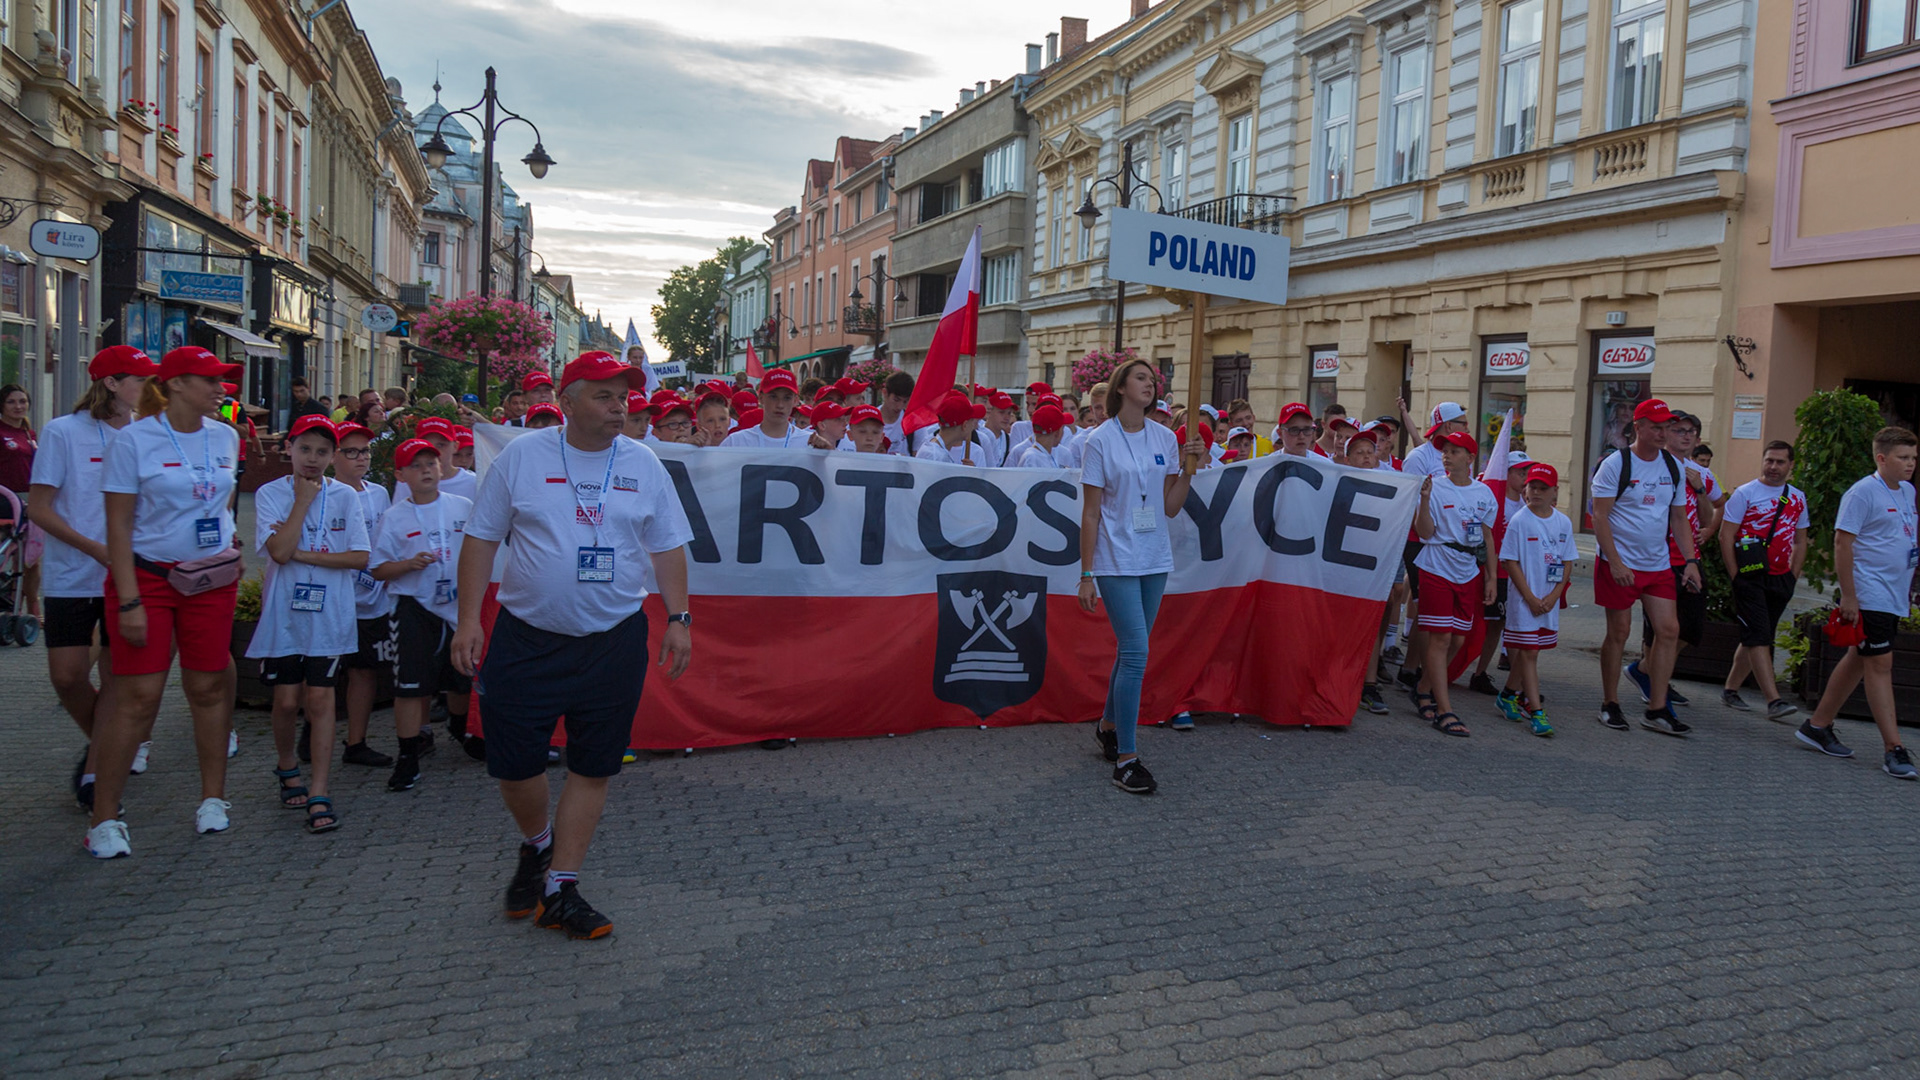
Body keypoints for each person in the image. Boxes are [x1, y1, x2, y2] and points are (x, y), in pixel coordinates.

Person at [451, 351, 694, 940]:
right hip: (527, 640)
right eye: (605, 397)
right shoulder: (521, 458)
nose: (621, 408)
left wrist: (680, 618)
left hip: (612, 641)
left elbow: (666, 548)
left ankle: (562, 885)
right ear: (566, 402)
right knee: (513, 765)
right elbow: (482, 540)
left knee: (594, 764)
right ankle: (537, 845)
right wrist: (467, 621)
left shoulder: (644, 464)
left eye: (625, 397)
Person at [87, 347, 247, 858]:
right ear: (176, 384)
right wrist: (128, 600)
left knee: (207, 687)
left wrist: (228, 542)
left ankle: (214, 799)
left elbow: (219, 499)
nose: (221, 389)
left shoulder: (226, 435)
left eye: (223, 381)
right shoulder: (135, 440)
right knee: (138, 697)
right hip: (149, 580)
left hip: (210, 581)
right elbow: (117, 524)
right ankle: (104, 818)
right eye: (211, 380)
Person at [29, 347, 158, 810]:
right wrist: (97, 550)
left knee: (119, 680)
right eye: (141, 381)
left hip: (130, 578)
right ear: (111, 383)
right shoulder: (63, 432)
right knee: (67, 677)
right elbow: (38, 508)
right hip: (72, 576)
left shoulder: (148, 435)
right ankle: (113, 744)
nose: (149, 390)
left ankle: (96, 777)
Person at [1078, 357, 1205, 793]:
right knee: (1135, 652)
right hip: (1114, 557)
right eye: (1141, 378)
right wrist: (1086, 572)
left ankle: (1109, 726)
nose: (1150, 385)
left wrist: (1189, 471)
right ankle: (1127, 759)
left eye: (1153, 379)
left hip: (1154, 555)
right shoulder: (1098, 441)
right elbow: (1091, 512)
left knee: (1132, 650)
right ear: (1120, 387)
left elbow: (1169, 506)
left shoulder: (1167, 437)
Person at [247, 415, 370, 834]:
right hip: (285, 616)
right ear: (290, 450)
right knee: (285, 702)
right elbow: (278, 552)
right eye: (305, 449)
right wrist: (301, 502)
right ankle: (286, 766)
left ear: (332, 455)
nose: (313, 459)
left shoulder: (345, 497)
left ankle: (319, 790)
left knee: (320, 702)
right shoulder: (269, 494)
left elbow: (358, 556)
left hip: (330, 618)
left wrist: (306, 554)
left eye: (322, 451)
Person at [1796, 427, 1919, 773]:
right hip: (1870, 593)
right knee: (1880, 665)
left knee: (1857, 658)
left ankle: (1817, 726)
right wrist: (1850, 596)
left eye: (1913, 458)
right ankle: (1894, 748)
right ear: (1881, 458)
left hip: (1895, 593)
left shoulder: (1907, 491)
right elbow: (1842, 543)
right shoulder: (1862, 492)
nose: (1910, 464)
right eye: (1903, 457)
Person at [1590, 398, 1699, 735]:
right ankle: (1610, 704)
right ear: (1637, 427)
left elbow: (1679, 517)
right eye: (1656, 426)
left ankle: (1656, 709)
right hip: (1619, 564)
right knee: (1619, 633)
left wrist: (1691, 561)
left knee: (1669, 630)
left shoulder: (1673, 466)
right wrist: (1617, 562)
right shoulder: (1615, 464)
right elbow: (1600, 516)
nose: (1663, 432)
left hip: (1658, 565)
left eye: (1666, 426)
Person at [371, 438, 473, 793]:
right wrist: (407, 565)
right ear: (400, 475)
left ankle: (461, 729)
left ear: (441, 468)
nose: (426, 470)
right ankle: (408, 755)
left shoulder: (463, 506)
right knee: (411, 687)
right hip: (415, 608)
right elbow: (378, 569)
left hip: (458, 607)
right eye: (416, 465)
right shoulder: (393, 517)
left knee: (462, 676)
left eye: (431, 463)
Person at [1631, 410, 1723, 707]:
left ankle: (1645, 671)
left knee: (1692, 626)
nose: (1685, 436)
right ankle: (1659, 688)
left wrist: (1701, 501)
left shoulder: (1701, 474)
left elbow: (1715, 512)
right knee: (1658, 629)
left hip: (1688, 558)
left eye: (1691, 432)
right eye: (1679, 430)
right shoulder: (1655, 466)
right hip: (1657, 558)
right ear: (1667, 433)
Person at [1410, 431, 1499, 738]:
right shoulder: (1434, 488)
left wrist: (1490, 577)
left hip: (1467, 570)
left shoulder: (1484, 493)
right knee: (1441, 639)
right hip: (1436, 564)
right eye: (1444, 451)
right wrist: (1423, 500)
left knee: (1458, 641)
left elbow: (1487, 537)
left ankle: (1423, 688)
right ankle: (1444, 710)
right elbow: (1424, 533)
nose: (1447, 456)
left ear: (1470, 458)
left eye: (1454, 451)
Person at [1715, 441, 1809, 719]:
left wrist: (1793, 575)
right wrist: (1736, 575)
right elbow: (1725, 536)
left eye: (1780, 462)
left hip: (1781, 578)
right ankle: (1774, 701)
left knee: (1757, 635)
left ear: (1791, 465)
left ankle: (1730, 689)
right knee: (1759, 636)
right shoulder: (1745, 493)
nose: (1773, 467)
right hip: (1750, 576)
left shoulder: (1797, 498)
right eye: (1769, 460)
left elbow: (1801, 540)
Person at [328, 421, 396, 770]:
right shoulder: (323, 493)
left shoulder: (379, 493)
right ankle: (314, 730)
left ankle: (356, 741)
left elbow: (385, 539)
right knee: (324, 671)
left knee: (364, 671)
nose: (360, 459)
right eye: (350, 452)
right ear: (333, 456)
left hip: (372, 597)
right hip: (335, 595)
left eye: (365, 452)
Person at [1496, 464, 1578, 738]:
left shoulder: (1562, 522)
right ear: (1525, 489)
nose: (1536, 493)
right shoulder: (1520, 520)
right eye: (1533, 487)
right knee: (1528, 653)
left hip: (1548, 601)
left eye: (1543, 488)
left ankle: (1508, 694)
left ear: (1555, 491)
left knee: (1533, 650)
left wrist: (1553, 596)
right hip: (1525, 600)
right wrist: (1530, 597)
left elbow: (1567, 562)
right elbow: (1510, 561)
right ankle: (1536, 710)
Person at [1469, 452, 1531, 695]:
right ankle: (1513, 682)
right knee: (1496, 625)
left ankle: (1499, 678)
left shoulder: (1526, 504)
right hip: (1497, 574)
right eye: (1520, 472)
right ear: (1506, 474)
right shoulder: (1496, 502)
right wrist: (1490, 575)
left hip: (1517, 576)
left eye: (1526, 473)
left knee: (1506, 625)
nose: (1525, 478)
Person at [1343, 427, 1394, 717]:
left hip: (1375, 564)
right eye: (1359, 452)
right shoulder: (1339, 483)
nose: (1366, 456)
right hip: (1345, 566)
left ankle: (1370, 684)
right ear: (1348, 459)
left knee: (1372, 623)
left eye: (1369, 452)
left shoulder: (1390, 484)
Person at [2, 383, 41, 617]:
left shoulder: (29, 433)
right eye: (11, 402)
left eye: (22, 401)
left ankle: (32, 608)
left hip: (28, 501)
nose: (18, 406)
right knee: (6, 552)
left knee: (31, 560)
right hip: (5, 500)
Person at [411, 418, 479, 502]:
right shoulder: (408, 481)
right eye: (426, 445)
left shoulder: (474, 482)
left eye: (441, 445)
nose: (434, 451)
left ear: (455, 447)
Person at [916, 391, 984, 464]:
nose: (973, 426)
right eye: (972, 421)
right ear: (965, 425)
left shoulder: (936, 451)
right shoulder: (934, 456)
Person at [880, 371, 916, 456]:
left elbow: (918, 457)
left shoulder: (913, 422)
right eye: (896, 400)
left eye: (905, 401)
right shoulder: (870, 419)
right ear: (885, 393)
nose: (900, 406)